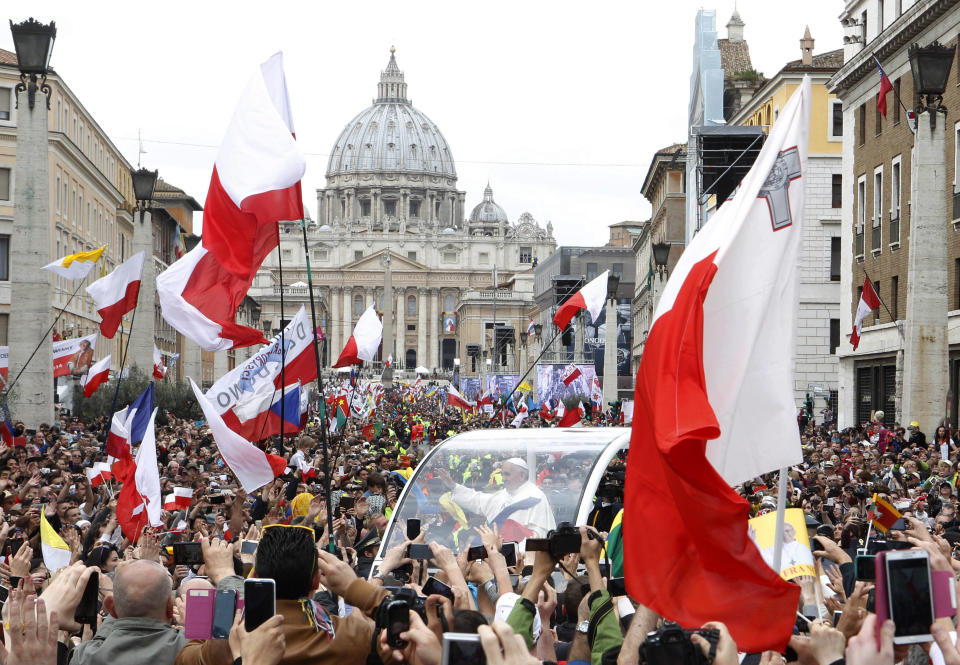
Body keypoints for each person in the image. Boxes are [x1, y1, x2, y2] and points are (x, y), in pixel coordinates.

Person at [71, 559, 186, 665]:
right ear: (170, 607)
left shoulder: (84, 657)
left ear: (111, 608)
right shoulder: (188, 648)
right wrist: (193, 624)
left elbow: (99, 645)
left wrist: (114, 598)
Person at [437, 457, 556, 538]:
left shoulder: (535, 497)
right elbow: (477, 500)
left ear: (522, 476)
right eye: (502, 474)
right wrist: (453, 486)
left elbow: (539, 535)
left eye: (507, 474)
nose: (503, 478)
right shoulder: (503, 494)